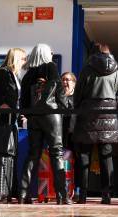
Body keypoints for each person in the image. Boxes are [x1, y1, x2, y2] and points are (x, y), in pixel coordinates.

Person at [19, 44, 71, 205]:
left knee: (33, 154)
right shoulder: (51, 67)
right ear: (46, 54)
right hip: (51, 115)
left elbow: (24, 101)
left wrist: (29, 114)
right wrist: (62, 109)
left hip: (34, 117)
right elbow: (60, 91)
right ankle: (62, 195)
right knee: (56, 153)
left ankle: (23, 194)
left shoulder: (28, 74)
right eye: (51, 52)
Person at [73, 43, 118, 204]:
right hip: (108, 115)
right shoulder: (116, 71)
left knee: (84, 155)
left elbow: (78, 93)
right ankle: (106, 194)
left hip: (88, 114)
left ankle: (83, 194)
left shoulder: (87, 69)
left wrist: (79, 108)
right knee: (106, 155)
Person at [0, 48, 26, 199]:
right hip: (1, 118)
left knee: (12, 153)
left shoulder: (15, 75)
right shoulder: (2, 72)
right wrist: (0, 103)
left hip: (12, 118)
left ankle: (10, 188)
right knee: (3, 151)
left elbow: (16, 99)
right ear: (16, 58)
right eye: (23, 58)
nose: (24, 62)